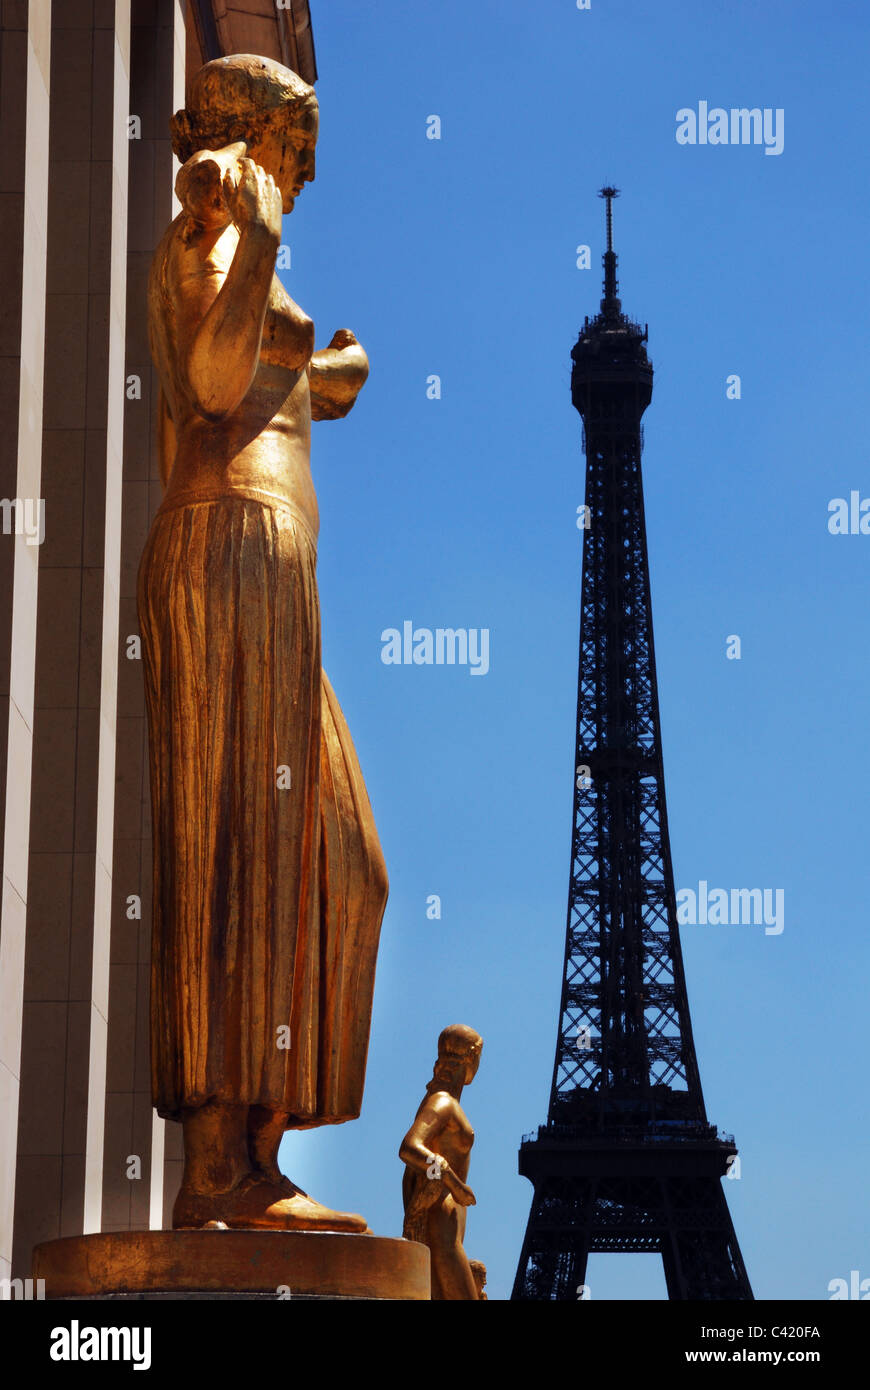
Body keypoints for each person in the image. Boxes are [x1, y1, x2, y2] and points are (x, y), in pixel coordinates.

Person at [138, 54, 387, 1232]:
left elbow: (281, 374)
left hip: (269, 554)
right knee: (234, 840)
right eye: (297, 147)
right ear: (264, 138)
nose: (302, 171)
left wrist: (332, 365)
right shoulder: (214, 224)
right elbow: (214, 372)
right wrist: (268, 242)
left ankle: (259, 1143)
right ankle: (221, 1168)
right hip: (229, 539)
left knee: (337, 857)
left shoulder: (232, 236)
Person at [400, 1026, 483, 1299]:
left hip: (448, 1222)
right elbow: (409, 1148)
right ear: (472, 1057)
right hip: (442, 1219)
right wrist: (455, 1184)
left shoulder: (445, 1102)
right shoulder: (442, 1102)